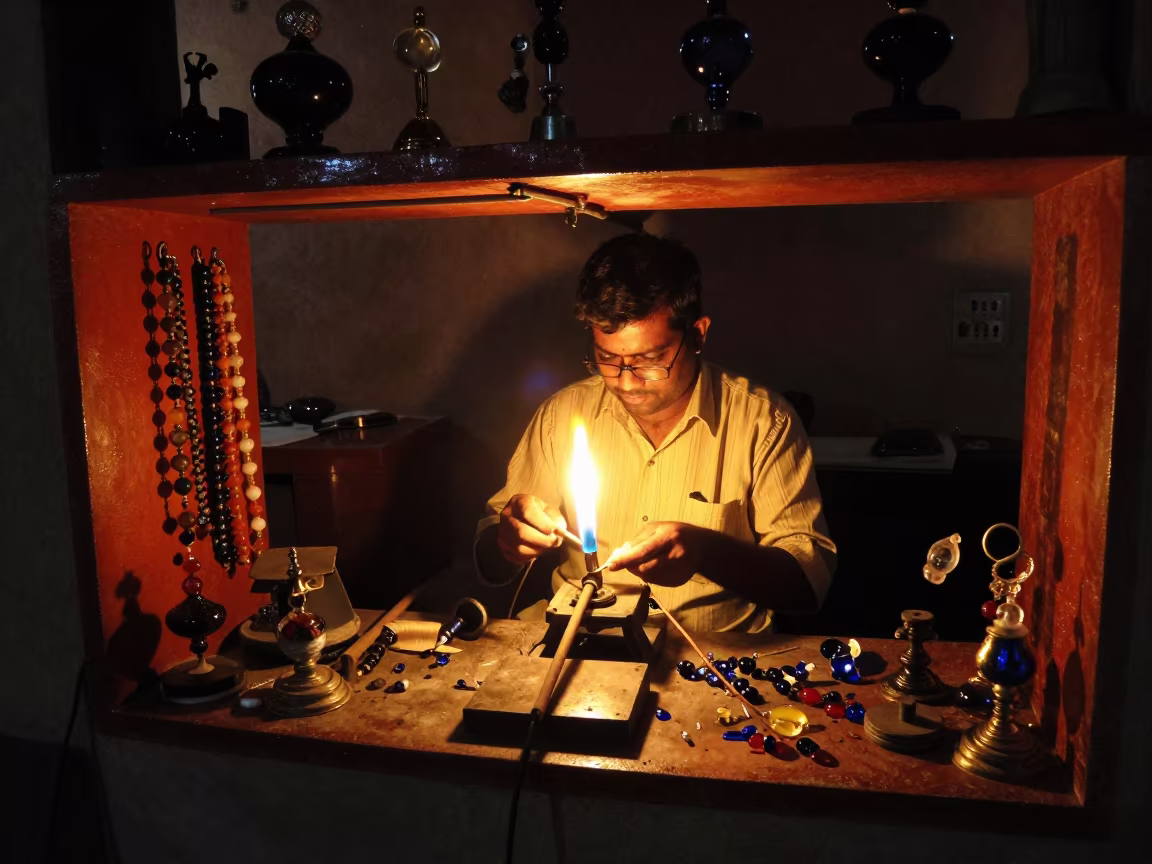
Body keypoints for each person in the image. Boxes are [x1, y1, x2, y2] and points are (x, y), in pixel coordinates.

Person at [475, 233, 836, 632]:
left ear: (697, 334)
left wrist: (703, 551)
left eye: (650, 359)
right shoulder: (562, 415)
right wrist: (509, 541)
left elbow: (806, 588)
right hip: (580, 643)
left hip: (708, 659)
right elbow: (493, 564)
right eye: (608, 359)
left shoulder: (764, 423)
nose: (626, 382)